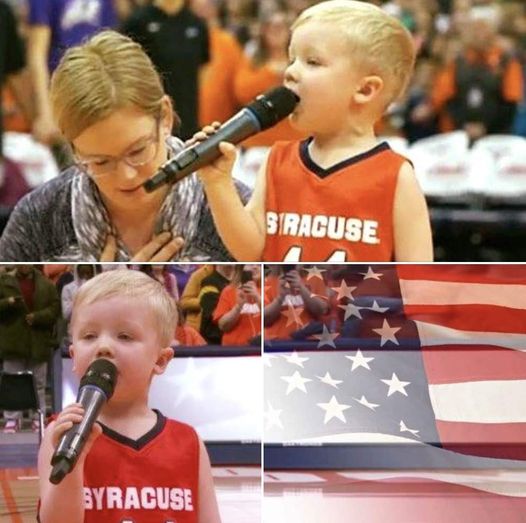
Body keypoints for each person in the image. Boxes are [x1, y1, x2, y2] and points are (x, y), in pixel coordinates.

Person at [195, 0, 433, 262]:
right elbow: (251, 252)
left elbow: (419, 285)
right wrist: (218, 184)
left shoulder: (395, 176)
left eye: (312, 61)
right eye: (292, 59)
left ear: (365, 90)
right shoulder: (278, 160)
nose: (290, 72)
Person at [0, 30, 250, 262]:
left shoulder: (241, 213)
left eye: (137, 151)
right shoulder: (38, 220)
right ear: (73, 149)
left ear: (165, 117)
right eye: (100, 162)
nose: (127, 175)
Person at [37, 269, 221, 522]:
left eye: (124, 336)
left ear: (160, 359)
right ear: (74, 357)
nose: (103, 346)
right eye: (89, 336)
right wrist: (73, 467)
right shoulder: (61, 433)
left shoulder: (188, 442)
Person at [121, 0, 210, 140]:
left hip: (189, 122)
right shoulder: (138, 22)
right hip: (152, 123)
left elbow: (203, 70)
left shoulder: (197, 24)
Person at [0, 264, 60, 433]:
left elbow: (55, 309)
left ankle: (38, 417)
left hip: (38, 340)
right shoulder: (3, 281)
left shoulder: (46, 284)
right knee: (11, 381)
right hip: (12, 339)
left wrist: (38, 317)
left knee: (38, 383)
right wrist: (8, 302)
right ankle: (12, 419)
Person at [264, 265, 328, 340]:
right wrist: (280, 297)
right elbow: (264, 318)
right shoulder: (269, 282)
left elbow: (322, 310)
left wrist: (301, 287)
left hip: (308, 340)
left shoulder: (315, 278)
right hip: (277, 342)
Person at [213, 264, 261, 346]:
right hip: (236, 350)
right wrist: (238, 306)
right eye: (251, 264)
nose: (255, 267)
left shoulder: (268, 288)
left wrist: (257, 298)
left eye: (259, 265)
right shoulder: (229, 291)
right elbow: (223, 326)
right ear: (241, 268)